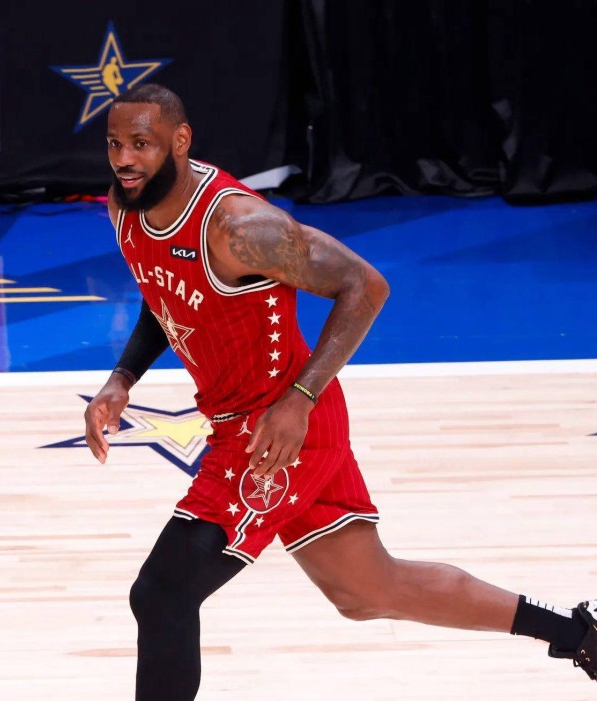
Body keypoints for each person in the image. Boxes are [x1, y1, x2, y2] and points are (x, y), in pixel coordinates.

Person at [84, 83, 597, 700]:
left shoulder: (240, 227)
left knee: (162, 593)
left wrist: (299, 399)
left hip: (277, 432)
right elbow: (162, 290)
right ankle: (579, 635)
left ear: (180, 141)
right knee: (369, 591)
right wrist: (122, 378)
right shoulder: (126, 205)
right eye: (115, 144)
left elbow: (365, 285)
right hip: (249, 421)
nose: (125, 159)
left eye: (141, 144)